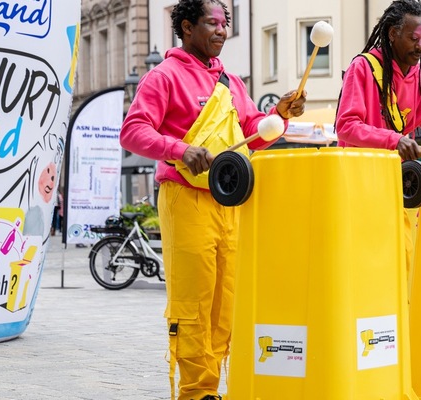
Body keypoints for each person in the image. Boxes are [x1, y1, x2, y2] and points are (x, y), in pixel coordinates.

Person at [119, 1, 305, 399]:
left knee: (227, 303)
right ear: (187, 27)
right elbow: (132, 132)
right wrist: (180, 149)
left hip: (229, 202)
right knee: (194, 300)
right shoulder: (163, 76)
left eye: (225, 23)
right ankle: (196, 391)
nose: (221, 30)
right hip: (185, 198)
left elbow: (255, 131)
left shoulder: (231, 82)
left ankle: (214, 386)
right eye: (212, 23)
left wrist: (280, 114)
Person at [334, 0, 421, 288]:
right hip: (357, 184)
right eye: (414, 39)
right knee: (361, 265)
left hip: (395, 187)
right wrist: (394, 139)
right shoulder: (363, 67)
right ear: (392, 34)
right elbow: (346, 126)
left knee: (401, 262)